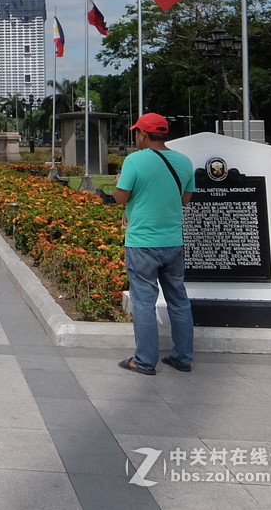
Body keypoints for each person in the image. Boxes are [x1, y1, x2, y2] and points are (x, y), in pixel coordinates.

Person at [114, 112, 195, 375]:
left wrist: (118, 186)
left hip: (142, 242)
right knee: (179, 299)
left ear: (144, 134)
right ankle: (182, 357)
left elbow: (120, 197)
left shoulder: (134, 161)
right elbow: (185, 199)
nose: (136, 137)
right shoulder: (184, 161)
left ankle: (145, 360)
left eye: (137, 132)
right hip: (172, 240)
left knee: (144, 302)